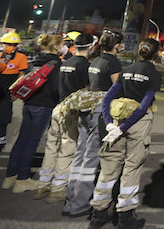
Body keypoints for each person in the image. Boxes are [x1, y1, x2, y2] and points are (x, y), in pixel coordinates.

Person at [88, 38, 162, 229]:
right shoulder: (153, 74)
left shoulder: (127, 70)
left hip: (117, 119)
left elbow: (107, 99)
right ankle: (125, 218)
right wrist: (124, 127)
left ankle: (98, 214)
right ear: (156, 53)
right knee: (132, 167)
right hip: (137, 124)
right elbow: (144, 106)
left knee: (108, 167)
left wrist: (112, 124)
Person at [64, 30, 124, 218]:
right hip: (99, 112)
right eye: (121, 43)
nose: (122, 46)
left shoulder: (96, 60)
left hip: (86, 110)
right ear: (116, 45)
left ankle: (70, 201)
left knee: (80, 155)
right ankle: (80, 204)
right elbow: (118, 88)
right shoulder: (112, 62)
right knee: (91, 159)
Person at [33, 33, 95, 202]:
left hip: (58, 108)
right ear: (91, 47)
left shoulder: (66, 63)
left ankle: (42, 185)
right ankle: (57, 189)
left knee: (51, 147)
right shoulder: (86, 66)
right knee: (67, 150)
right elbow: (88, 91)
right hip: (71, 111)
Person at [2, 34, 63, 193]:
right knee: (32, 141)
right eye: (61, 44)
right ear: (56, 47)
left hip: (28, 103)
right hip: (43, 105)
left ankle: (10, 177)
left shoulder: (37, 59)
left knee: (22, 139)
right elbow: (57, 88)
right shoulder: (56, 63)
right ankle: (23, 179)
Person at [0, 31, 29, 156]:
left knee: (2, 120)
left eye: (15, 45)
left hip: (7, 94)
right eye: (9, 44)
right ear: (2, 44)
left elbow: (21, 76)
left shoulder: (21, 57)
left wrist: (16, 92)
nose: (12, 47)